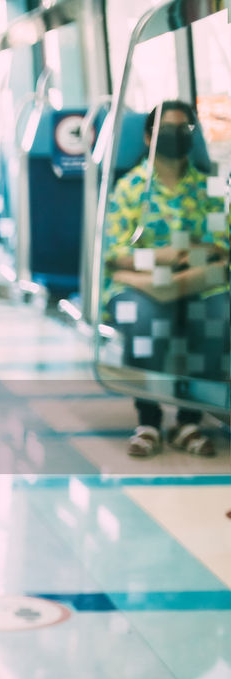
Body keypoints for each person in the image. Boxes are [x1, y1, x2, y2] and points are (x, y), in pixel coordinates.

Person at [103, 100, 230, 458]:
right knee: (145, 323)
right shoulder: (130, 189)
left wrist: (186, 269)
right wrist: (162, 258)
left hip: (200, 280)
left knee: (216, 319)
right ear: (148, 137)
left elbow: (220, 246)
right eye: (168, 130)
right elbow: (115, 255)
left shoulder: (213, 188)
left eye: (185, 130)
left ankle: (190, 420)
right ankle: (149, 420)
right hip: (138, 284)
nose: (177, 137)